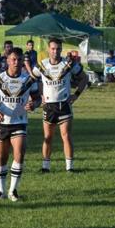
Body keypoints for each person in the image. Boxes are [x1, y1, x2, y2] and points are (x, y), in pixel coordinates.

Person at [0, 48, 40, 202]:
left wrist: (34, 105)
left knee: (19, 155)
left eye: (20, 59)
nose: (17, 62)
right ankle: (1, 191)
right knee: (2, 158)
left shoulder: (28, 80)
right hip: (1, 123)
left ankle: (13, 191)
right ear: (7, 60)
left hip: (19, 122)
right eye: (14, 59)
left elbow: (37, 98)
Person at [31, 37, 89, 172]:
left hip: (64, 105)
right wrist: (38, 96)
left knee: (66, 136)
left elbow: (84, 78)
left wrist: (76, 94)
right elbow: (31, 80)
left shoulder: (68, 64)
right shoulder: (42, 65)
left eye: (58, 49)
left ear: (61, 50)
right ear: (48, 50)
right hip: (48, 106)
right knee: (48, 137)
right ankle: (45, 167)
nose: (55, 51)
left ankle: (70, 168)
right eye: (52, 49)